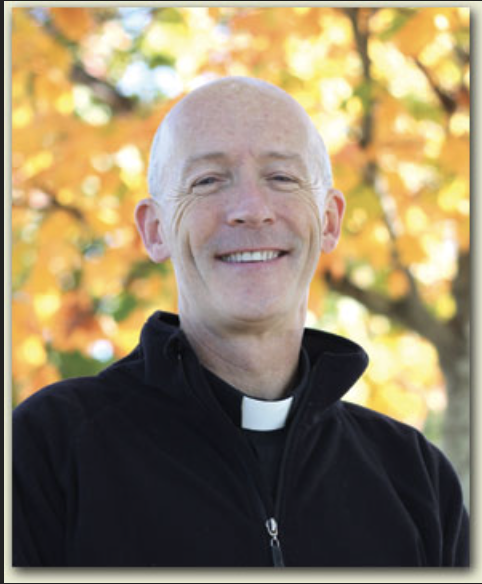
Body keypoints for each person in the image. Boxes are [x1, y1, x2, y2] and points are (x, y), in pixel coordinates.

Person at [12, 76, 469, 568]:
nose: (252, 210)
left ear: (330, 220)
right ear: (155, 229)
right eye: (208, 181)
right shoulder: (47, 450)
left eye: (282, 178)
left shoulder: (415, 479)